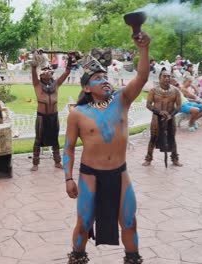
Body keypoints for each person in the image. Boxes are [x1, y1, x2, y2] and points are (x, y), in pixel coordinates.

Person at [63, 31, 151, 264]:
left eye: (106, 76)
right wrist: (68, 178)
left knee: (130, 222)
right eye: (98, 78)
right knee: (83, 223)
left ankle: (132, 259)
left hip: (120, 174)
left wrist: (143, 48)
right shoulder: (77, 114)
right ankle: (77, 258)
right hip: (90, 176)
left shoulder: (122, 100)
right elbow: (69, 149)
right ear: (87, 88)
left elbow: (142, 77)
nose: (105, 80)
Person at [30, 49, 75, 171]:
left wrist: (70, 58)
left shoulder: (56, 84)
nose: (47, 72)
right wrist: (36, 55)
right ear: (40, 74)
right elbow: (33, 69)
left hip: (53, 116)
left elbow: (67, 71)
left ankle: (57, 161)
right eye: (44, 70)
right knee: (38, 139)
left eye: (48, 70)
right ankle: (35, 163)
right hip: (41, 117)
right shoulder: (37, 84)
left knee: (55, 138)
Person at [142, 68, 182, 167]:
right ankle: (148, 158)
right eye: (164, 76)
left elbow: (179, 106)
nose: (167, 78)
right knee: (153, 138)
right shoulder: (153, 91)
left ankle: (175, 158)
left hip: (170, 118)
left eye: (169, 76)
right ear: (159, 78)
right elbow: (148, 105)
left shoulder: (175, 91)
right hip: (157, 118)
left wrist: (171, 115)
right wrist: (159, 112)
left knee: (172, 138)